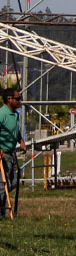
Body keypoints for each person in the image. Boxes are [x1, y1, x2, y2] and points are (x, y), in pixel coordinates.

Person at [0, 85, 27, 219]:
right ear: (9, 99)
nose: (20, 101)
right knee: (3, 185)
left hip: (11, 153)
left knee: (14, 182)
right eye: (18, 98)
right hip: (3, 155)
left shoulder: (15, 115)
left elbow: (15, 131)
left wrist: (21, 141)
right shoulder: (2, 114)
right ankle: (2, 213)